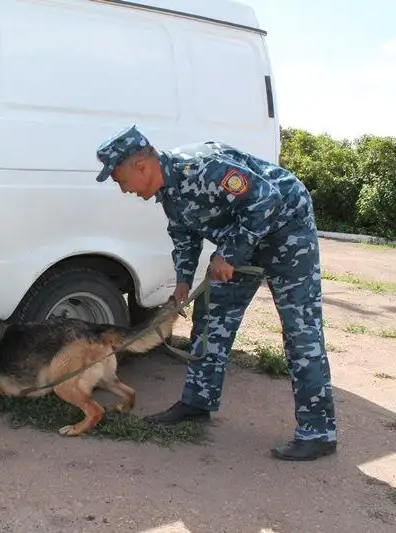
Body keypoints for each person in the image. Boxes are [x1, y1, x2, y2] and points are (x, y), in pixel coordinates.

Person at [94, 124, 337, 461]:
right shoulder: (169, 190)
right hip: (244, 239)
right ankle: (197, 401)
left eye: (121, 180)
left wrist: (231, 254)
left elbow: (267, 198)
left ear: (141, 166)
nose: (123, 190)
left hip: (287, 231)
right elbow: (184, 233)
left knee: (302, 333)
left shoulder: (204, 167)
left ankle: (319, 432)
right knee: (210, 319)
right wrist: (182, 282)